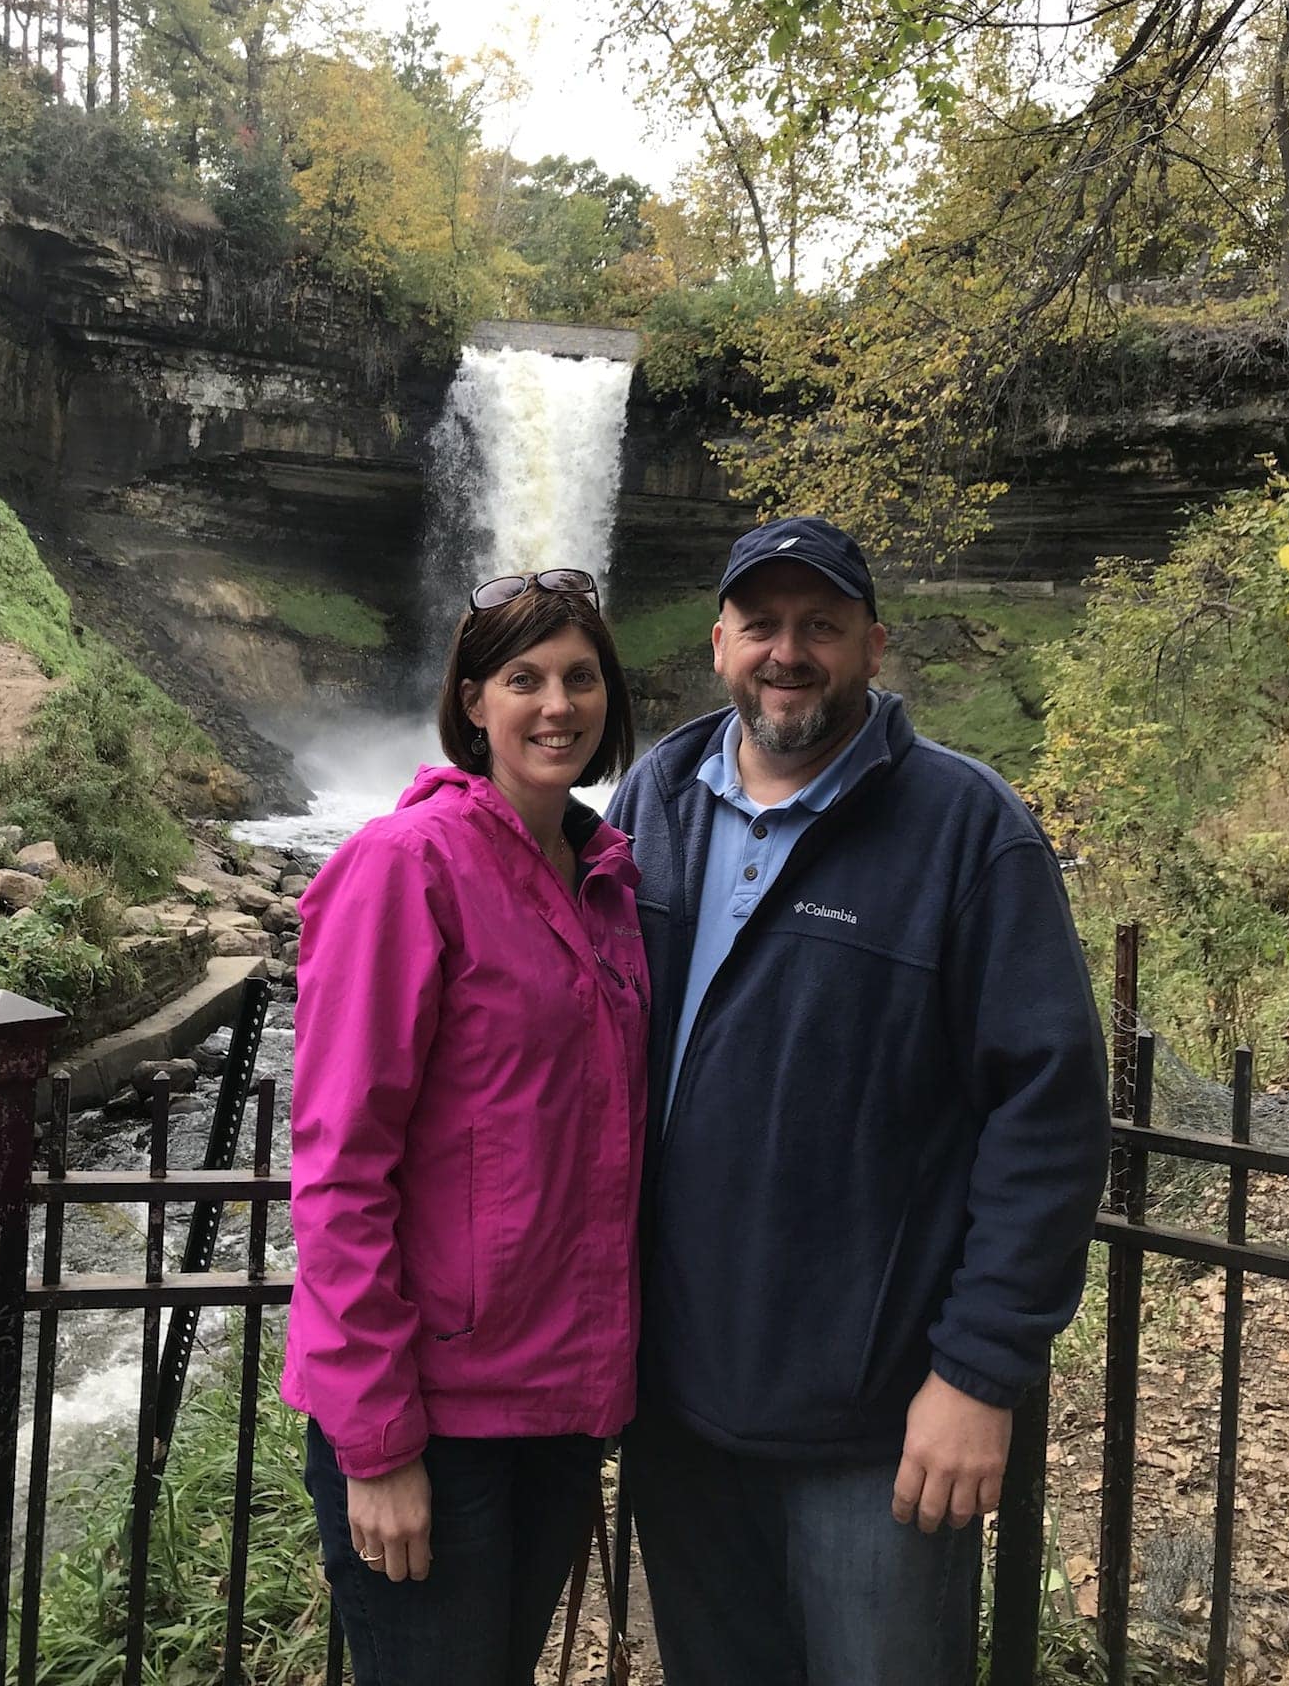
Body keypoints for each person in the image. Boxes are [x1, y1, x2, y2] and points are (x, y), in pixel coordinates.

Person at [604, 515, 1110, 1686]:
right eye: (763, 623)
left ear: (873, 647)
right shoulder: (653, 805)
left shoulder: (966, 829)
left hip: (878, 1425)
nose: (790, 651)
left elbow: (1049, 1114)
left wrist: (980, 1372)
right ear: (718, 640)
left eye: (821, 625)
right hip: (674, 1400)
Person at [282, 566, 647, 1686]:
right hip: (433, 1418)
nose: (558, 704)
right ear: (472, 702)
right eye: (524, 678)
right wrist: (378, 1440)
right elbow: (341, 1168)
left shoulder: (606, 881)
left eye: (581, 677)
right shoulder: (405, 867)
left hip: (559, 1402)